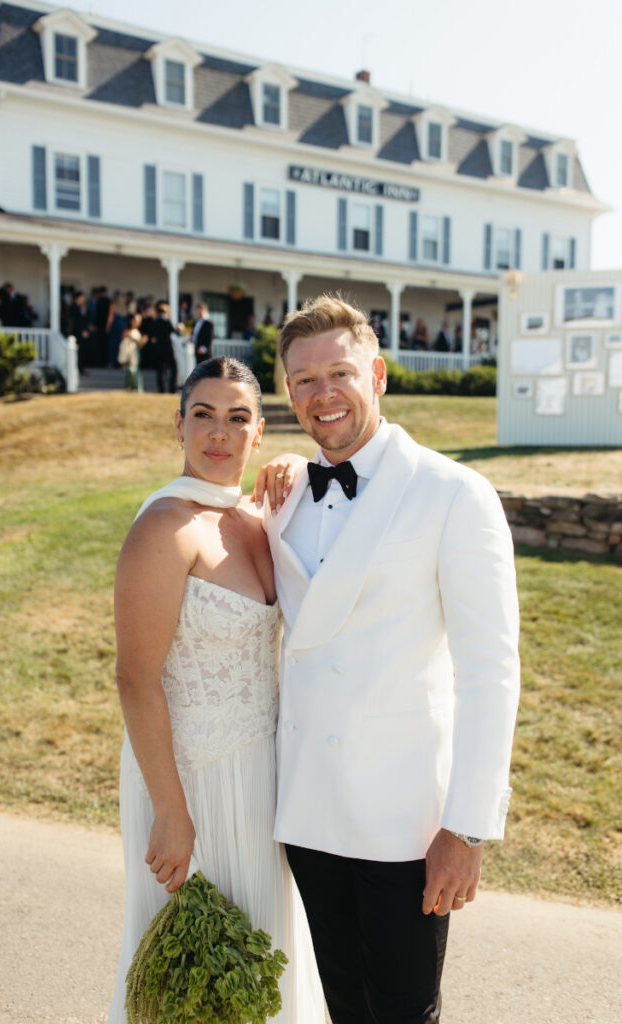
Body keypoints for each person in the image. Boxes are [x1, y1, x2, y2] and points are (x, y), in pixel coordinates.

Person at [264, 295, 520, 1024]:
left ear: (377, 375)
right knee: (340, 1005)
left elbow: (489, 672)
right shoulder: (282, 500)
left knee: (404, 1011)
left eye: (339, 373)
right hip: (309, 814)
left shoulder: (452, 493)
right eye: (304, 380)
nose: (323, 394)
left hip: (403, 824)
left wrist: (466, 827)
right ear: (289, 393)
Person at [108, 358, 324, 1024]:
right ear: (179, 424)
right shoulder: (164, 529)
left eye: (237, 418)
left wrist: (292, 466)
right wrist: (171, 813)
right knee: (195, 980)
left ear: (257, 433)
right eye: (202, 414)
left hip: (262, 782)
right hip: (187, 780)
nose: (218, 433)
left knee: (260, 964)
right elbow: (135, 678)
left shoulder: (260, 518)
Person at [150, 302, 180, 393]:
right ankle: (172, 389)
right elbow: (176, 332)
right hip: (167, 350)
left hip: (158, 350)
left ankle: (161, 390)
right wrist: (178, 328)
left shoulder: (154, 323)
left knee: (160, 372)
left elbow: (152, 338)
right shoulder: (167, 322)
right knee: (174, 369)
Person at [117, 313, 146, 392]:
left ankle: (135, 386)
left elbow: (140, 345)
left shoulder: (138, 332)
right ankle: (130, 386)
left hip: (135, 354)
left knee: (135, 370)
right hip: (129, 354)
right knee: (130, 370)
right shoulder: (127, 331)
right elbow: (124, 341)